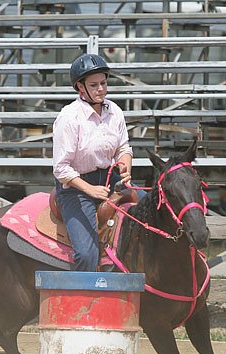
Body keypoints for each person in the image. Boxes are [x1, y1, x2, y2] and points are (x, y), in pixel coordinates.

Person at [52, 53, 134, 271]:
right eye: (94, 85)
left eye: (104, 83)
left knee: (153, 209)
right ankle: (83, 299)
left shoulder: (114, 111)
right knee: (87, 254)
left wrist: (125, 166)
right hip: (75, 189)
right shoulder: (69, 117)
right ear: (80, 87)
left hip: (110, 179)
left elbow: (123, 148)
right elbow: (61, 169)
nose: (101, 89)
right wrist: (90, 189)